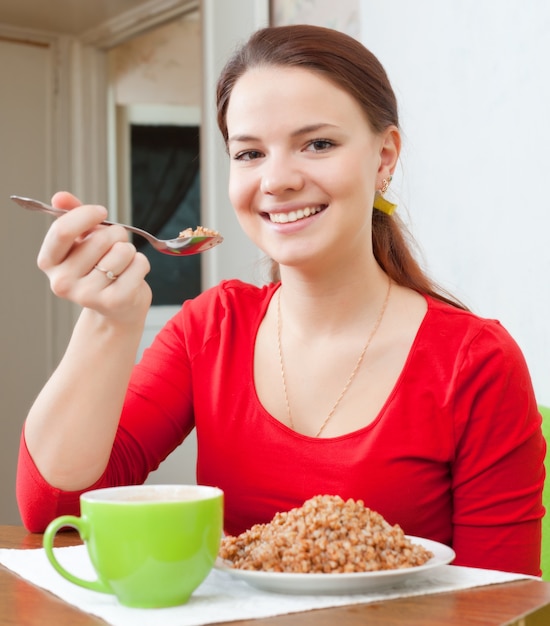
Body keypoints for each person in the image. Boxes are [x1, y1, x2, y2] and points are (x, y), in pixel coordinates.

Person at [16, 24, 545, 576]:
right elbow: (58, 512)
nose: (277, 180)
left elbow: (502, 600)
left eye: (318, 144)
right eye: (249, 153)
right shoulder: (212, 328)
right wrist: (108, 320)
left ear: (384, 157)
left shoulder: (475, 362)